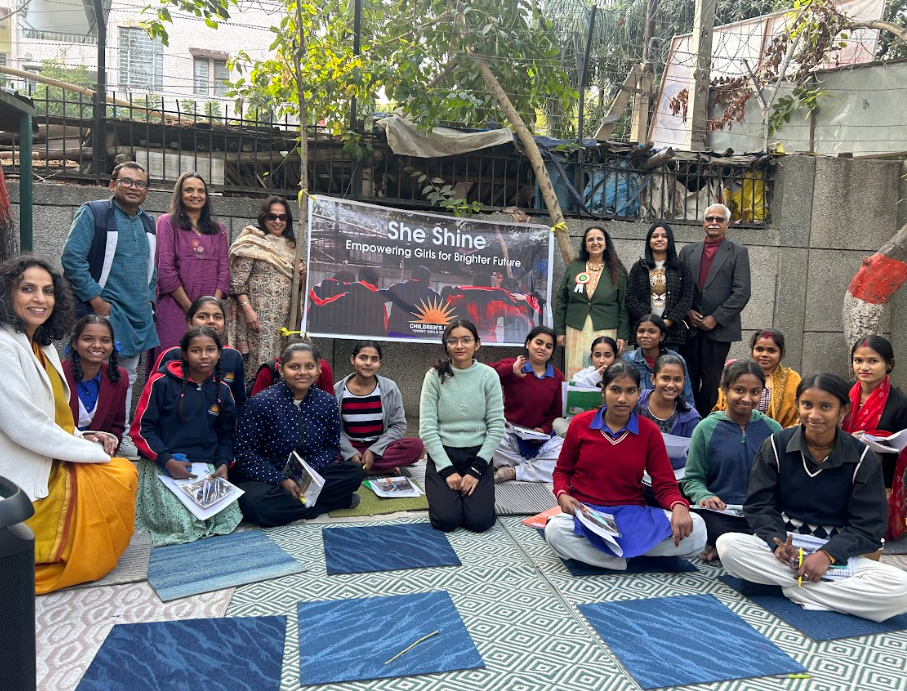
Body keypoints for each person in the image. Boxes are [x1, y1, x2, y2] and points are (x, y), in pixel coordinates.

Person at [717, 373, 907, 623]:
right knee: (728, 546)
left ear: (843, 410)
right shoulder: (776, 445)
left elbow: (869, 526)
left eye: (825, 407)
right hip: (786, 548)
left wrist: (826, 555)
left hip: (837, 552)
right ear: (797, 404)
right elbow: (759, 505)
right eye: (807, 405)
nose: (814, 415)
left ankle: (789, 589)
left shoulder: (863, 458)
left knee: (902, 589)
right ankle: (824, 593)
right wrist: (777, 543)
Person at [0, 256, 137, 593]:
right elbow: (24, 426)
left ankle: (90, 553)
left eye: (48, 291)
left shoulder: (40, 344)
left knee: (122, 473)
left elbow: (57, 416)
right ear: (7, 294)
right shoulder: (4, 346)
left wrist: (85, 436)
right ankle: (60, 561)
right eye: (27, 289)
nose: (40, 299)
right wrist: (88, 451)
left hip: (49, 451)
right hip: (22, 464)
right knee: (117, 475)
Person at [544, 362, 706, 569]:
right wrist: (562, 495)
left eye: (630, 391)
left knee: (697, 529)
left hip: (632, 515)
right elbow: (562, 471)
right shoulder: (581, 424)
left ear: (639, 393)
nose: (622, 398)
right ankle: (630, 557)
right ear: (603, 391)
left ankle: (611, 555)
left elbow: (664, 483)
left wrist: (679, 506)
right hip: (588, 513)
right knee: (556, 530)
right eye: (615, 390)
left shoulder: (648, 431)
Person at [61, 161, 159, 460]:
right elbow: (72, 258)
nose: (133, 187)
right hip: (104, 312)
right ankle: (75, 434)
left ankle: (120, 435)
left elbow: (153, 267)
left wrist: (149, 300)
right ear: (112, 184)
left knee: (125, 377)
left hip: (137, 313)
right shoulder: (95, 213)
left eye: (140, 183)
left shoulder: (148, 222)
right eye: (126, 181)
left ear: (147, 190)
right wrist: (96, 300)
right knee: (85, 372)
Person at [232, 341, 364, 526]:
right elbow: (244, 453)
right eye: (294, 367)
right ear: (281, 370)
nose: (302, 372)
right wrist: (281, 479)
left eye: (309, 366)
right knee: (256, 504)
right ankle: (334, 502)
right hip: (267, 478)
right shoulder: (261, 403)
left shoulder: (327, 402)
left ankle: (294, 505)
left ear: (318, 369)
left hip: (311, 472)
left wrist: (307, 474)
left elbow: (332, 447)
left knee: (354, 472)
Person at [131, 326, 241, 546]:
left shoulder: (222, 390)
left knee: (223, 520)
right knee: (182, 524)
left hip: (205, 467)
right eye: (196, 350)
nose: (204, 356)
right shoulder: (161, 382)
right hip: (164, 464)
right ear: (184, 353)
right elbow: (142, 430)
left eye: (210, 350)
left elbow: (226, 434)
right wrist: (167, 460)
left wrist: (223, 464)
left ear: (219, 353)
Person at [683, 360, 782, 561]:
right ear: (725, 389)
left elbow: (784, 478)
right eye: (739, 390)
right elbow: (693, 479)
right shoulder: (705, 428)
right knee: (698, 524)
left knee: (784, 525)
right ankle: (746, 546)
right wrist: (704, 495)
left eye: (755, 392)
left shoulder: (773, 430)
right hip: (721, 515)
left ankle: (730, 549)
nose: (747, 398)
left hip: (763, 514)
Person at [419, 320, 504, 532]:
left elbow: (496, 426)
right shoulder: (434, 376)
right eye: (453, 341)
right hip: (444, 455)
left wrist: (476, 470)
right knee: (446, 521)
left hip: (477, 456)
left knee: (479, 522)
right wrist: (447, 470)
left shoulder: (488, 375)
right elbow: (427, 428)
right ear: (446, 345)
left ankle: (473, 496)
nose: (459, 346)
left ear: (477, 344)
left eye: (466, 340)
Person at [679, 203, 751, 416]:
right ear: (703, 223)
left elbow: (742, 292)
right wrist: (686, 312)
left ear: (727, 224)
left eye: (719, 219)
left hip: (719, 329)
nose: (714, 222)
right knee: (688, 378)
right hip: (690, 328)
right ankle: (688, 420)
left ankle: (707, 422)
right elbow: (679, 286)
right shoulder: (687, 251)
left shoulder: (738, 252)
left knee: (712, 381)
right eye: (709, 219)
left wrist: (716, 318)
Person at [153, 173, 230, 356]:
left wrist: (210, 310)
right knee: (173, 359)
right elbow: (166, 269)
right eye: (189, 190)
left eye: (200, 191)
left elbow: (224, 270)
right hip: (176, 306)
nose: (195, 195)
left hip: (209, 310)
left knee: (205, 360)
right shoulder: (167, 222)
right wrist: (192, 310)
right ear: (179, 194)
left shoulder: (218, 229)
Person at [227, 195, 304, 375]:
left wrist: (302, 275)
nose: (277, 221)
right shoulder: (252, 243)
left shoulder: (291, 247)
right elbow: (237, 283)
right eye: (272, 216)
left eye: (282, 217)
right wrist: (248, 311)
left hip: (283, 319)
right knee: (258, 364)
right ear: (264, 218)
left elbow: (296, 285)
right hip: (257, 318)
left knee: (282, 362)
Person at [842, 335, 907, 539]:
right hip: (840, 469)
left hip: (880, 477)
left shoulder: (900, 403)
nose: (864, 367)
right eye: (858, 360)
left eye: (873, 361)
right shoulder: (843, 392)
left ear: (889, 364)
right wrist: (848, 439)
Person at [333, 340, 423, 474]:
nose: (368, 363)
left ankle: (356, 470)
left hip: (381, 449)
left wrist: (374, 451)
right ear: (353, 359)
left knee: (416, 446)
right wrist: (350, 453)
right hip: (349, 448)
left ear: (379, 363)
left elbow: (398, 426)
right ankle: (379, 470)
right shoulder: (338, 390)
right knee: (324, 452)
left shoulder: (390, 388)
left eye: (374, 359)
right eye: (363, 358)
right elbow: (334, 430)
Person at [489, 326, 565, 484]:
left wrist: (543, 430)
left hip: (542, 440)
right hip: (511, 436)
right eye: (539, 343)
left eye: (548, 346)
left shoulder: (557, 376)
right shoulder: (516, 365)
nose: (542, 348)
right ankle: (534, 468)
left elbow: (557, 413)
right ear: (528, 344)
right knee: (489, 438)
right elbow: (483, 373)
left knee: (564, 451)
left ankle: (514, 471)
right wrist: (510, 369)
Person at [554, 226, 630, 379]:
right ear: (585, 245)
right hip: (576, 329)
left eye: (599, 239)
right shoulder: (574, 267)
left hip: (605, 328)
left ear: (606, 244)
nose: (595, 242)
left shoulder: (617, 271)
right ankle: (576, 394)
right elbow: (562, 299)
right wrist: (559, 331)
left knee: (603, 371)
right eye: (590, 239)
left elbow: (624, 305)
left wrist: (622, 335)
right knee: (576, 371)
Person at [153, 296, 247, 416]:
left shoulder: (233, 356)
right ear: (189, 322)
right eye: (202, 317)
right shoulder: (171, 355)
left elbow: (239, 402)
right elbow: (153, 399)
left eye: (218, 317)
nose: (211, 321)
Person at [712, 329, 802, 428]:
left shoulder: (791, 379)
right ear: (752, 350)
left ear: (781, 353)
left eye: (771, 350)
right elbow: (722, 407)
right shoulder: (738, 374)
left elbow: (796, 415)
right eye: (759, 349)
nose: (764, 354)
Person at [62, 315, 128, 448]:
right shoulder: (57, 375)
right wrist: (81, 439)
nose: (97, 345)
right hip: (60, 450)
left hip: (97, 452)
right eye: (88, 339)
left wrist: (108, 443)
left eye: (105, 340)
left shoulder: (119, 377)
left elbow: (117, 427)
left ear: (112, 346)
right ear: (74, 343)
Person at [626, 222, 693, 351]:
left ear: (670, 240)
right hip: (645, 331)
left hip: (673, 332)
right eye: (655, 236)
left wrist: (669, 321)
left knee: (670, 363)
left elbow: (687, 297)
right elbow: (631, 298)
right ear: (649, 241)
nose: (659, 239)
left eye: (664, 236)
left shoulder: (681, 267)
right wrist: (651, 321)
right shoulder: (639, 267)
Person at [636, 354, 701, 468]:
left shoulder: (691, 417)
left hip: (672, 474)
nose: (671, 385)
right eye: (665, 378)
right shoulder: (636, 402)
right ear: (653, 379)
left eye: (677, 380)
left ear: (684, 381)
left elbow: (695, 457)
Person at [552, 336, 618, 437]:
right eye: (597, 355)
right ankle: (573, 438)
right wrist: (596, 376)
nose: (601, 360)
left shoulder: (619, 377)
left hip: (606, 425)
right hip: (580, 423)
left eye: (607, 355)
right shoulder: (584, 374)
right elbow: (574, 389)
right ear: (591, 357)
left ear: (615, 358)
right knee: (557, 422)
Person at [621, 314, 694, 401]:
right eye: (641, 331)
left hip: (669, 407)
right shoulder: (628, 359)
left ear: (662, 336)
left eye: (652, 332)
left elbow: (687, 395)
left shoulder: (676, 359)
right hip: (639, 408)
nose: (645, 335)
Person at [384, 266, 443, 339]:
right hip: (418, 336)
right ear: (427, 280)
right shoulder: (432, 295)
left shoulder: (396, 288)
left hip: (395, 334)